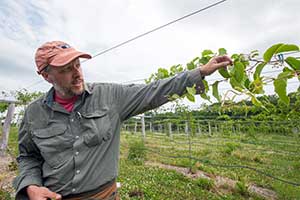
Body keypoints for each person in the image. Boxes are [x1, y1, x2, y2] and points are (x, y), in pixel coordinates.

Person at [13, 41, 232, 200]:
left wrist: (200, 72)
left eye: (78, 65)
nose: (77, 74)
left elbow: (153, 91)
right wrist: (31, 186)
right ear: (46, 75)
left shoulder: (110, 97)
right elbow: (28, 156)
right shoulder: (34, 113)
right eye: (66, 70)